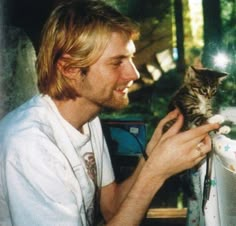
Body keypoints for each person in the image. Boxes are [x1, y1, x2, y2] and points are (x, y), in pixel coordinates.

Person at [0, 0, 219, 225]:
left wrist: (151, 157)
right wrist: (155, 174)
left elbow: (112, 208)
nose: (133, 73)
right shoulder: (30, 145)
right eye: (117, 63)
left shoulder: (89, 118)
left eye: (131, 58)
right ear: (70, 69)